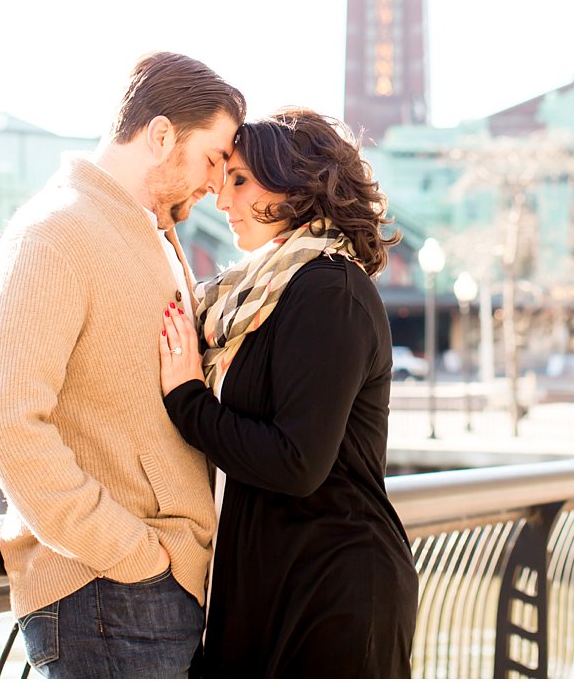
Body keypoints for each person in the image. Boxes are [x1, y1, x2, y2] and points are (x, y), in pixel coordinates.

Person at [0, 51, 245, 679]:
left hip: (153, 590)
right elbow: (1, 424)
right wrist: (132, 553)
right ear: (162, 134)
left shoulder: (148, 234)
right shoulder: (55, 232)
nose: (215, 185)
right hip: (107, 591)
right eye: (211, 160)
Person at [158, 108, 418, 678]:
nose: (223, 201)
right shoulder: (257, 296)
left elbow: (297, 462)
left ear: (299, 181)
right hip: (270, 581)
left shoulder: (329, 290)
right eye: (223, 179)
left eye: (241, 179)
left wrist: (186, 398)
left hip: (331, 594)